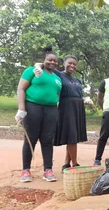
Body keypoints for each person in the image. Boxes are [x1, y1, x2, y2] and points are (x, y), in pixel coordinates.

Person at [15, 47, 62, 182]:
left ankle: (48, 170)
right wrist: (21, 109)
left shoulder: (57, 79)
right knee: (31, 138)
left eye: (55, 61)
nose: (52, 62)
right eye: (49, 60)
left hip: (51, 110)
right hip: (33, 107)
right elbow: (21, 89)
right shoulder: (32, 71)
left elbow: (57, 95)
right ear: (44, 60)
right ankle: (26, 170)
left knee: (48, 140)